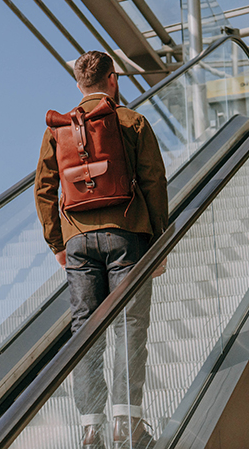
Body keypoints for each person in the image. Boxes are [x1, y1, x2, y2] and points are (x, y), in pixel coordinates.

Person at [35, 51, 168, 449]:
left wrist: (58, 243)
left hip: (78, 242)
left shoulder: (56, 128)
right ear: (113, 79)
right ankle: (126, 425)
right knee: (130, 325)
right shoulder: (131, 121)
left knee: (85, 330)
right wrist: (159, 241)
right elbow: (154, 181)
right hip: (128, 235)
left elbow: (43, 190)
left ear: (79, 85)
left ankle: (91, 430)